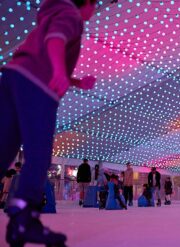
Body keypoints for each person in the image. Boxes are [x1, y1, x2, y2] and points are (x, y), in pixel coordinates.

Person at [0, 0, 97, 245]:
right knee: (39, 154)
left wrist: (75, 81)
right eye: (94, 4)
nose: (94, 10)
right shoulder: (71, 15)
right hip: (37, 86)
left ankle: (20, 222)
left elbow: (39, 53)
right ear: (85, 3)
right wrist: (58, 73)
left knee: (3, 150)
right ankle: (24, 219)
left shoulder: (51, 13)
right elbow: (56, 38)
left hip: (13, 77)